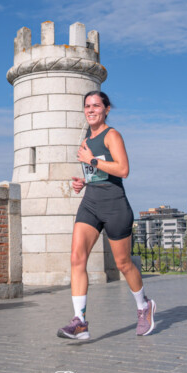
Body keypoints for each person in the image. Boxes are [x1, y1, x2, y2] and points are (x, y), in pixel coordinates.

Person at [57, 91, 156, 340]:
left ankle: (144, 306)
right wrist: (83, 181)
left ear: (106, 109)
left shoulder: (112, 135)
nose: (91, 110)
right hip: (90, 203)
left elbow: (123, 169)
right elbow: (97, 175)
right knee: (77, 258)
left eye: (96, 106)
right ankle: (79, 321)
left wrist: (91, 159)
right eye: (87, 106)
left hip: (115, 205)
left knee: (123, 264)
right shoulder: (85, 141)